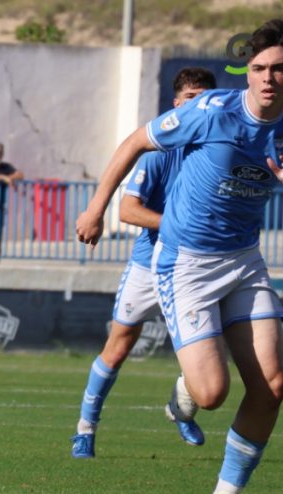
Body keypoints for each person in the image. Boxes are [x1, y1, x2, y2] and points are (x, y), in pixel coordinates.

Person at [75, 19, 283, 494]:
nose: (267, 78)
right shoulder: (211, 111)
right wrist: (96, 208)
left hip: (244, 260)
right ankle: (184, 394)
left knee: (274, 383)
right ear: (247, 72)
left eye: (278, 69)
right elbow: (133, 143)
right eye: (258, 68)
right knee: (212, 393)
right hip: (185, 262)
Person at [71, 67, 217, 459]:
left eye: (204, 98)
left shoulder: (219, 151)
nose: (196, 105)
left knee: (206, 357)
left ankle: (181, 409)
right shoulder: (159, 153)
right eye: (190, 98)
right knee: (118, 346)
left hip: (199, 268)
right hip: (150, 266)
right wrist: (178, 226)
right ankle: (85, 428)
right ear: (177, 104)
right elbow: (129, 210)